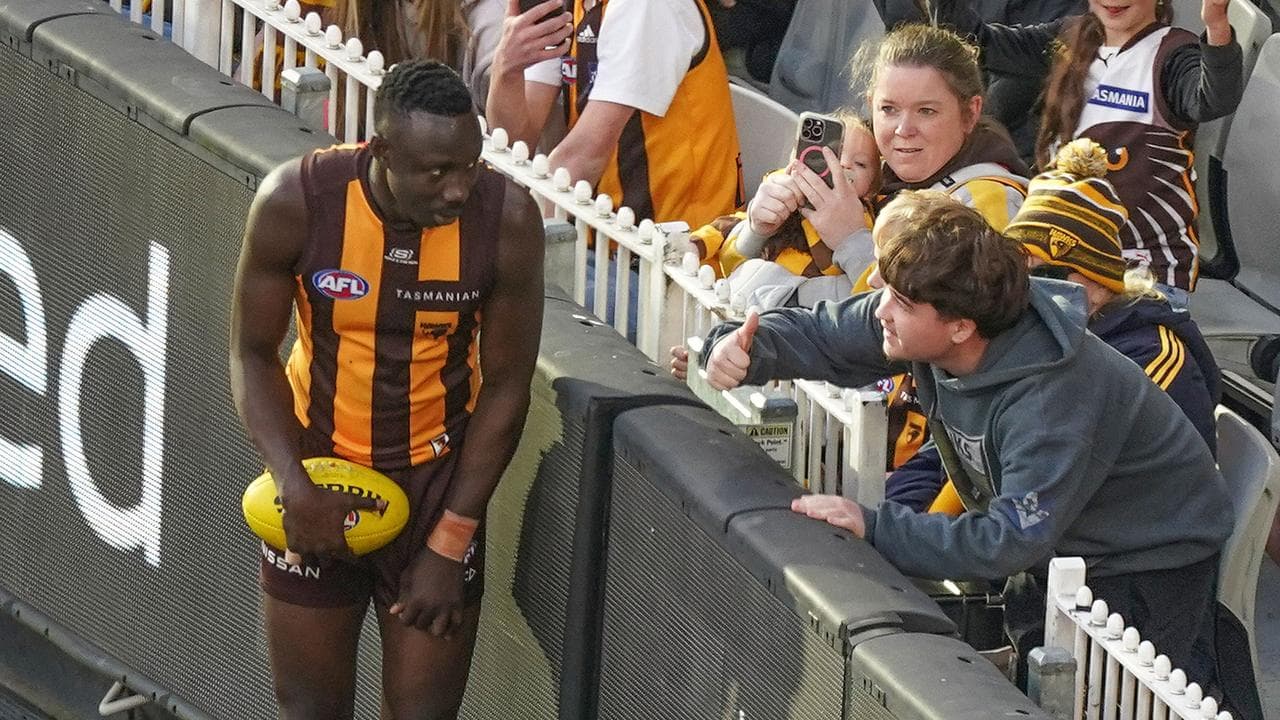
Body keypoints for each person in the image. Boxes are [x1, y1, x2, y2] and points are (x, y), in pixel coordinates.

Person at [700, 190, 1232, 685]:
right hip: (1059, 546)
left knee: (1110, 696)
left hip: (1147, 562)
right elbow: (825, 334)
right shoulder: (922, 310)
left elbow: (1007, 539)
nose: (880, 308)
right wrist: (745, 347)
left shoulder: (1049, 398)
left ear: (960, 328)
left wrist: (874, 525)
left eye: (901, 303)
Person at [229, 60, 544, 719]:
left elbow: (509, 388)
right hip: (316, 474)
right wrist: (293, 483)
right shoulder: (297, 201)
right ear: (382, 152)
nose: (458, 190)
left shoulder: (507, 220)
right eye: (437, 172)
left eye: (470, 167)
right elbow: (252, 352)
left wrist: (451, 539)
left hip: (437, 489)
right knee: (310, 709)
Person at [888, 139, 1221, 516]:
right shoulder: (1022, 328)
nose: (1025, 287)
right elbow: (952, 447)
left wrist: (923, 539)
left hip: (1122, 552)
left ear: (1098, 284)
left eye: (1046, 274)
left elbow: (1052, 485)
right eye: (1013, 270)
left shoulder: (1154, 361)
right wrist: (897, 516)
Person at [881, 0, 1244, 304]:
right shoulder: (1069, 38)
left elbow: (1213, 99)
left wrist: (1216, 26)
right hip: (1061, 272)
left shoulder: (1172, 52)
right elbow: (978, 43)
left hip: (1143, 279)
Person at [484, 0, 744, 228]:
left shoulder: (646, 7)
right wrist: (507, 67)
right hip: (602, 233)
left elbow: (585, 155)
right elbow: (513, 142)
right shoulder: (570, 6)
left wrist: (500, 238)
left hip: (669, 257)